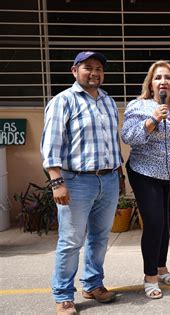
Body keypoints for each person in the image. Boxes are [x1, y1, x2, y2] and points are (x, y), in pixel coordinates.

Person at [41, 51, 125, 315]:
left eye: (99, 68)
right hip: (76, 182)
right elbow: (50, 147)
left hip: (108, 179)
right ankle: (64, 295)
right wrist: (57, 182)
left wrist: (119, 175)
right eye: (88, 67)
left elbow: (113, 142)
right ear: (74, 71)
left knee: (100, 238)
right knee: (71, 240)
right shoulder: (63, 101)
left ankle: (92, 284)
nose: (95, 72)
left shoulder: (109, 101)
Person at [121, 60, 170, 299]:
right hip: (144, 172)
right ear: (151, 83)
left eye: (168, 77)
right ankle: (150, 277)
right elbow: (129, 137)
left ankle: (162, 267)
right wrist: (153, 119)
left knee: (165, 222)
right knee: (154, 222)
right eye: (158, 78)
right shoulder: (138, 106)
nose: (163, 81)